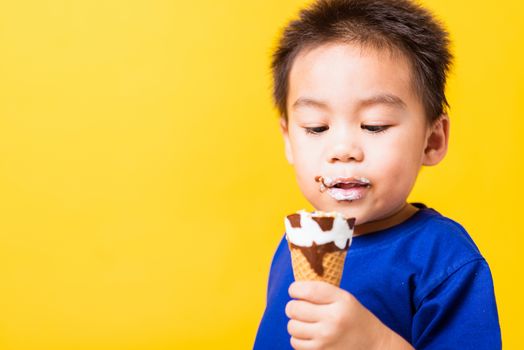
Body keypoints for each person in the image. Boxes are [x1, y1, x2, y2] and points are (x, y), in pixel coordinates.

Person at [254, 0, 501, 349]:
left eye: (374, 125)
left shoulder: (445, 260)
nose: (343, 149)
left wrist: (374, 343)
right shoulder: (296, 247)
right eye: (315, 127)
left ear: (432, 140)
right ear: (289, 141)